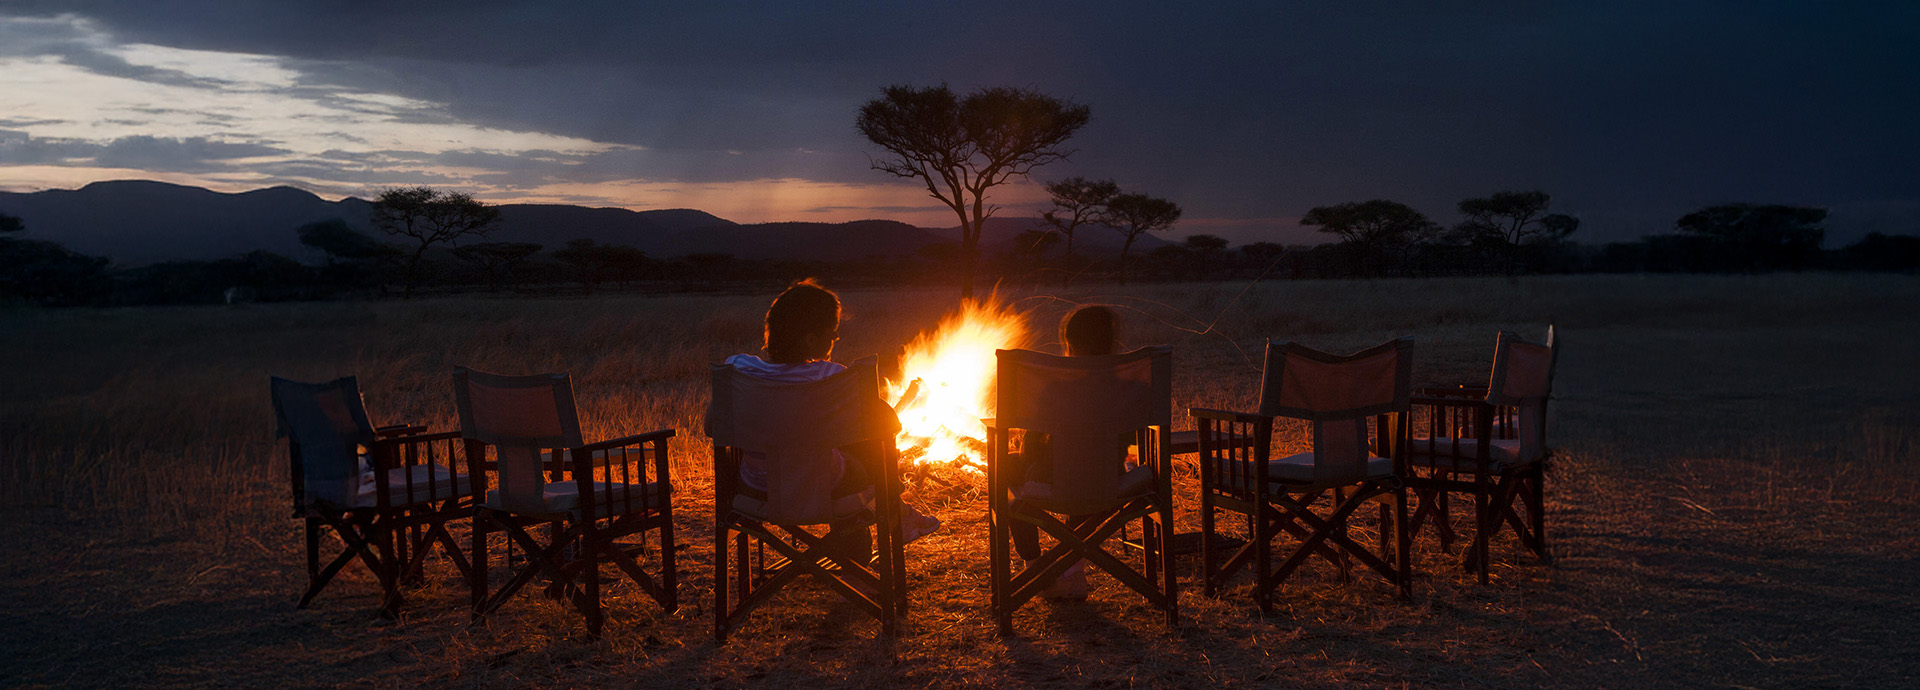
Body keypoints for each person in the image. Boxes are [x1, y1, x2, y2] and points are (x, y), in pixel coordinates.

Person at [724, 279, 943, 558]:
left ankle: (894, 523)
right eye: (832, 333)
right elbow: (890, 424)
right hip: (822, 488)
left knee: (844, 450)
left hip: (755, 491)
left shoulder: (739, 369)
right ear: (811, 339)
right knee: (871, 448)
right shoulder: (830, 377)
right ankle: (887, 530)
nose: (835, 340)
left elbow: (712, 425)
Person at [1006, 304, 1121, 599]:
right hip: (1112, 479)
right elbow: (1130, 437)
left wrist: (1029, 459)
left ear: (1069, 344)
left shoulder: (1055, 387)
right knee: (1081, 477)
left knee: (1005, 467)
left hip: (1059, 478)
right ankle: (1072, 572)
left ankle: (1033, 566)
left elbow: (1031, 444)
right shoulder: (1126, 383)